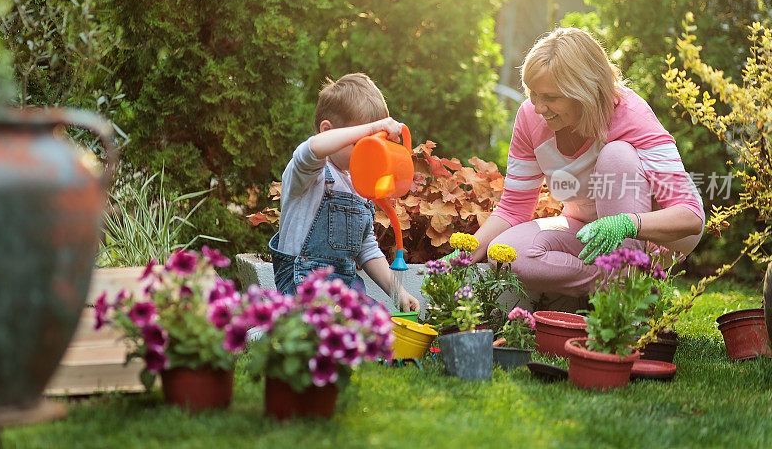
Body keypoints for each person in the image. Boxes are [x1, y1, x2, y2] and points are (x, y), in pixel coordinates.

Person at [471, 28, 704, 297]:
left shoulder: (630, 114)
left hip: (656, 233)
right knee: (508, 254)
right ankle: (618, 283)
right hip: (586, 226)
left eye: (551, 97)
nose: (538, 107)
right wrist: (464, 252)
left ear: (584, 91)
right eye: (534, 93)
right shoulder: (531, 118)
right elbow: (514, 209)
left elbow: (690, 215)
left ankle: (627, 304)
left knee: (616, 155)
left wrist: (628, 224)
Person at [269, 73, 421, 311]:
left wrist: (398, 291)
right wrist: (372, 127)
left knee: (376, 323)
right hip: (303, 288)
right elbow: (314, 147)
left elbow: (367, 248)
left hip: (345, 288)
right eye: (360, 142)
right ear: (326, 130)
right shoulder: (309, 172)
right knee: (338, 327)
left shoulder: (359, 184)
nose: (368, 150)